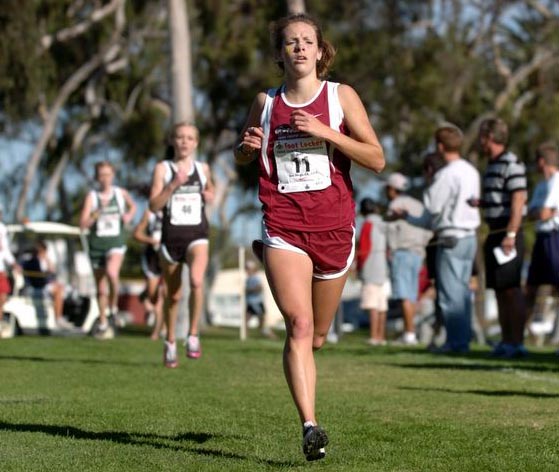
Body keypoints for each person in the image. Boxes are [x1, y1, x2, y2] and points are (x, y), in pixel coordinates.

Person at [234, 13, 384, 461]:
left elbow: (376, 158)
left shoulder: (340, 97)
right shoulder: (265, 101)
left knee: (317, 336)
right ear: (280, 54)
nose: (298, 48)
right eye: (289, 42)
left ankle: (311, 352)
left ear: (320, 51)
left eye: (306, 41)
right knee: (297, 326)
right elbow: (243, 153)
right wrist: (244, 150)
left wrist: (324, 132)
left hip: (335, 228)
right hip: (283, 224)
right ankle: (310, 426)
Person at [405, 125, 481, 353]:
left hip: (452, 237)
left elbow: (433, 207)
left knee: (450, 295)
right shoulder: (471, 170)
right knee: (462, 294)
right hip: (470, 238)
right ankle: (463, 340)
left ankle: (456, 343)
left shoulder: (446, 174)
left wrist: (430, 182)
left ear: (440, 146)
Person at [149, 122, 215, 368]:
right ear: (172, 141)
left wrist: (210, 195)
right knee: (173, 295)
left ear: (196, 143)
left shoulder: (203, 168)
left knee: (197, 281)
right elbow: (153, 206)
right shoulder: (162, 169)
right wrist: (172, 185)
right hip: (171, 238)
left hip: (197, 235)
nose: (185, 142)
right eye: (180, 137)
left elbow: (211, 191)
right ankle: (169, 341)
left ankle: (193, 334)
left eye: (189, 138)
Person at [472, 118, 528, 358]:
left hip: (508, 233)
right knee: (498, 289)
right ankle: (506, 342)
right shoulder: (491, 164)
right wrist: (482, 204)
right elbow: (501, 199)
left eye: (482, 138)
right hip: (494, 231)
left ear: (490, 137)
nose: (480, 143)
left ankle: (517, 343)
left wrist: (511, 234)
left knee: (511, 290)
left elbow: (518, 202)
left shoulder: (512, 163)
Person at [79, 161, 137, 339]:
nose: (105, 178)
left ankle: (113, 308)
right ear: (97, 177)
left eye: (108, 174)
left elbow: (133, 206)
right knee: (100, 286)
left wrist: (128, 215)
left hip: (116, 242)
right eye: (101, 175)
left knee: (112, 273)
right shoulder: (92, 197)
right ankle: (103, 321)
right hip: (97, 244)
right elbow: (83, 223)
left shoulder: (120, 194)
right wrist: (96, 214)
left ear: (113, 176)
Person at [385, 172, 432, 346]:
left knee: (404, 294)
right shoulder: (418, 205)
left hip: (402, 252)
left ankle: (409, 333)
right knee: (411, 294)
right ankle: (411, 332)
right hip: (418, 253)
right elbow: (429, 228)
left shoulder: (396, 204)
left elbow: (390, 230)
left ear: (392, 188)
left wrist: (391, 250)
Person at [524, 142, 559, 342]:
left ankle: (556, 335)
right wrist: (540, 213)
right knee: (531, 288)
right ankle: (517, 337)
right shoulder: (540, 186)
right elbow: (533, 214)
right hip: (541, 238)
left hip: (554, 236)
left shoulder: (557, 181)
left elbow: (545, 213)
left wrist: (541, 213)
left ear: (542, 161)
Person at [356, 198, 389, 346]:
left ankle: (374, 336)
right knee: (382, 305)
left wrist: (359, 267)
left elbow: (364, 248)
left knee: (372, 305)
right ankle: (381, 336)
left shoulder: (367, 224)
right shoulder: (383, 223)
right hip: (383, 269)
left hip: (370, 268)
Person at [20, 240, 73, 330]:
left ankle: (67, 315)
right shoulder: (31, 261)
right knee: (58, 289)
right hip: (36, 286)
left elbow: (52, 270)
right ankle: (58, 318)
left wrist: (46, 259)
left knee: (64, 288)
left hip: (44, 285)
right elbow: (38, 277)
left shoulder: (44, 261)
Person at [133, 209, 165, 340]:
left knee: (163, 296)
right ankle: (146, 294)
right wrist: (151, 240)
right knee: (154, 297)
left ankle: (158, 331)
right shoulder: (149, 213)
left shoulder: (175, 209)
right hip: (151, 259)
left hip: (167, 258)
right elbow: (137, 234)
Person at [244, 259, 276, 338]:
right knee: (246, 320)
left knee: (262, 324)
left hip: (257, 303)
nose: (246, 270)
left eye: (248, 269)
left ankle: (270, 335)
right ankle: (245, 336)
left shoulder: (255, 278)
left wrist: (248, 290)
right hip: (250, 302)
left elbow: (259, 288)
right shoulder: (248, 279)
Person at [0, 206, 19, 337]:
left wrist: (13, 264)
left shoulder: (2, 228)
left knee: (2, 299)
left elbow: (5, 250)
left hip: (0, 270)